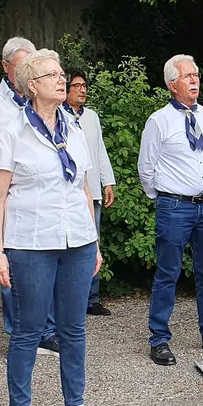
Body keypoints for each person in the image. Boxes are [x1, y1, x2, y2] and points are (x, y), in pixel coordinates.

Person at [0, 50, 105, 406]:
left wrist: (94, 241)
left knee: (74, 328)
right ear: (30, 85)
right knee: (28, 330)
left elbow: (83, 188)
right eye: (51, 75)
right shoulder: (9, 131)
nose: (61, 79)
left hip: (77, 240)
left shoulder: (73, 127)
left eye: (61, 74)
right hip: (30, 242)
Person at [137, 54, 203, 366]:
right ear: (172, 84)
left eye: (195, 75)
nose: (194, 80)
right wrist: (166, 197)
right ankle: (159, 339)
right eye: (187, 76)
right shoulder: (159, 121)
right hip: (175, 207)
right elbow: (146, 168)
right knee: (168, 273)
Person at [0, 37, 58, 350]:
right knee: (11, 265)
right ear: (6, 67)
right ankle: (19, 334)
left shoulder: (46, 106)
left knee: (45, 262)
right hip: (6, 197)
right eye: (23, 65)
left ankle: (46, 331)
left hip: (41, 200)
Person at [63, 69, 117, 316]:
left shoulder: (92, 117)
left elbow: (100, 150)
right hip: (69, 192)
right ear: (65, 89)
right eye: (77, 85)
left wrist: (108, 182)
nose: (82, 90)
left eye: (84, 85)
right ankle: (69, 298)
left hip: (92, 190)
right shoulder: (58, 116)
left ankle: (92, 299)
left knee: (93, 242)